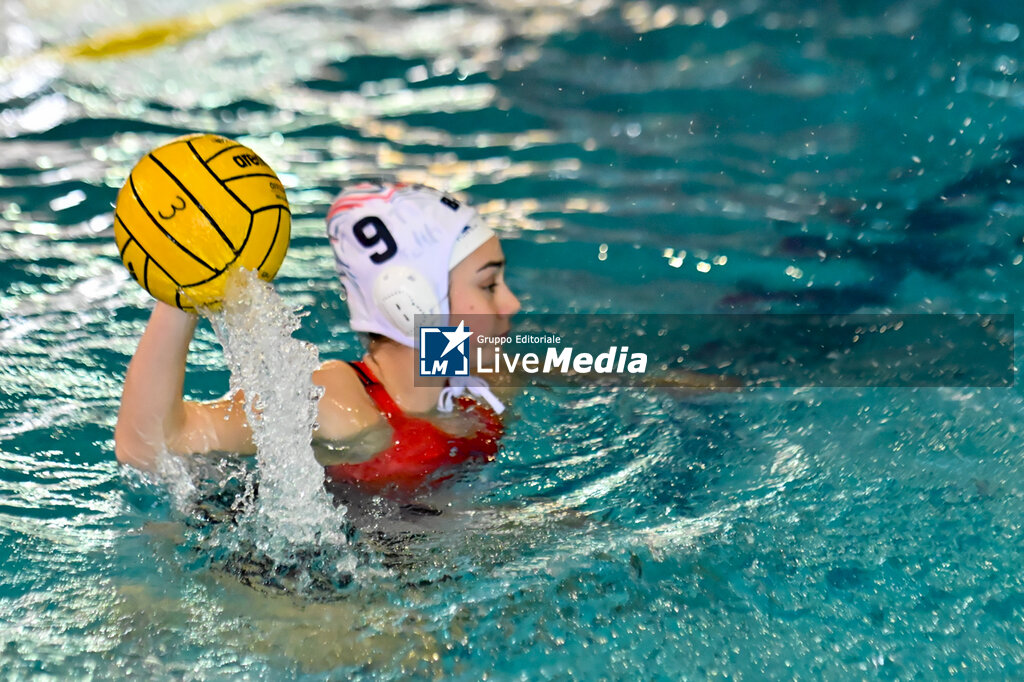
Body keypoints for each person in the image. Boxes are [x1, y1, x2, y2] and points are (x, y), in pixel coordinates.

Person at [114, 182, 521, 493]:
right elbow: (151, 448)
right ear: (413, 302)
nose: (512, 303)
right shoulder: (340, 406)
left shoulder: (486, 386)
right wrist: (182, 290)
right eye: (489, 285)